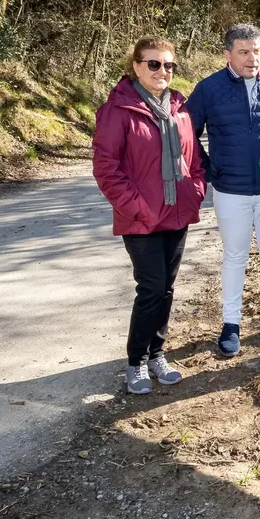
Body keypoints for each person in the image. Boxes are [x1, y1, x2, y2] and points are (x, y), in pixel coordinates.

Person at [93, 36, 207, 394]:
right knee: (152, 287)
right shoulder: (118, 110)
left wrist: (196, 191)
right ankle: (136, 363)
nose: (163, 71)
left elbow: (195, 159)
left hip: (177, 213)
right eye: (154, 64)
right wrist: (136, 207)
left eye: (169, 65)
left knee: (167, 288)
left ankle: (157, 354)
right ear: (137, 66)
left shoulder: (180, 109)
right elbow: (106, 168)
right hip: (141, 217)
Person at [187, 24, 260, 357]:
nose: (252, 58)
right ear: (228, 54)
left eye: (257, 51)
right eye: (244, 52)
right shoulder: (208, 89)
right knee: (234, 257)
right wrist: (209, 169)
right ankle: (231, 323)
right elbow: (187, 135)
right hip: (230, 191)